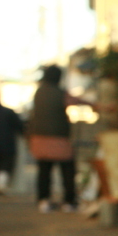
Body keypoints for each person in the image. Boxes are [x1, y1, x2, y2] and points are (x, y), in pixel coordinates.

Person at [29, 65, 85, 213]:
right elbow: (75, 101)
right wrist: (99, 106)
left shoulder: (39, 92)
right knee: (67, 170)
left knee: (44, 171)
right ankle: (69, 201)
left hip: (39, 138)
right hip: (58, 139)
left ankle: (43, 200)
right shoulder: (60, 93)